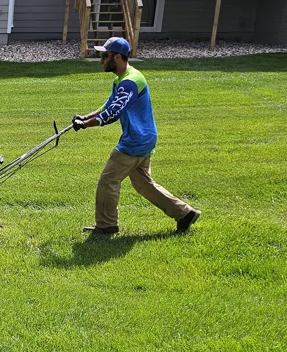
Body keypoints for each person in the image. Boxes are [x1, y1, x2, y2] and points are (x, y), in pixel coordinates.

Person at [72, 37, 200, 235]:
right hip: (144, 137)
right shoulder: (122, 80)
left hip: (136, 140)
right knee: (143, 184)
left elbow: (114, 112)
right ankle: (185, 214)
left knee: (108, 181)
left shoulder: (131, 82)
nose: (101, 60)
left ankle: (106, 226)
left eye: (105, 56)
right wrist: (85, 117)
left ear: (117, 57)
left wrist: (86, 125)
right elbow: (107, 106)